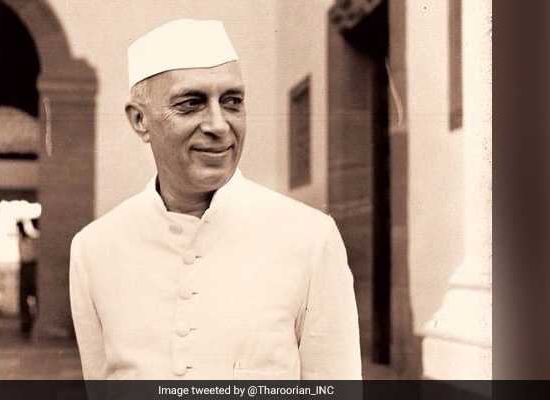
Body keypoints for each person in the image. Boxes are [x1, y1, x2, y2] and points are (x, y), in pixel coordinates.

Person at [69, 18, 361, 380]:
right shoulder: (94, 249)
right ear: (140, 120)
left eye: (232, 102)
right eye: (191, 103)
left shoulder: (310, 238)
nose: (219, 125)